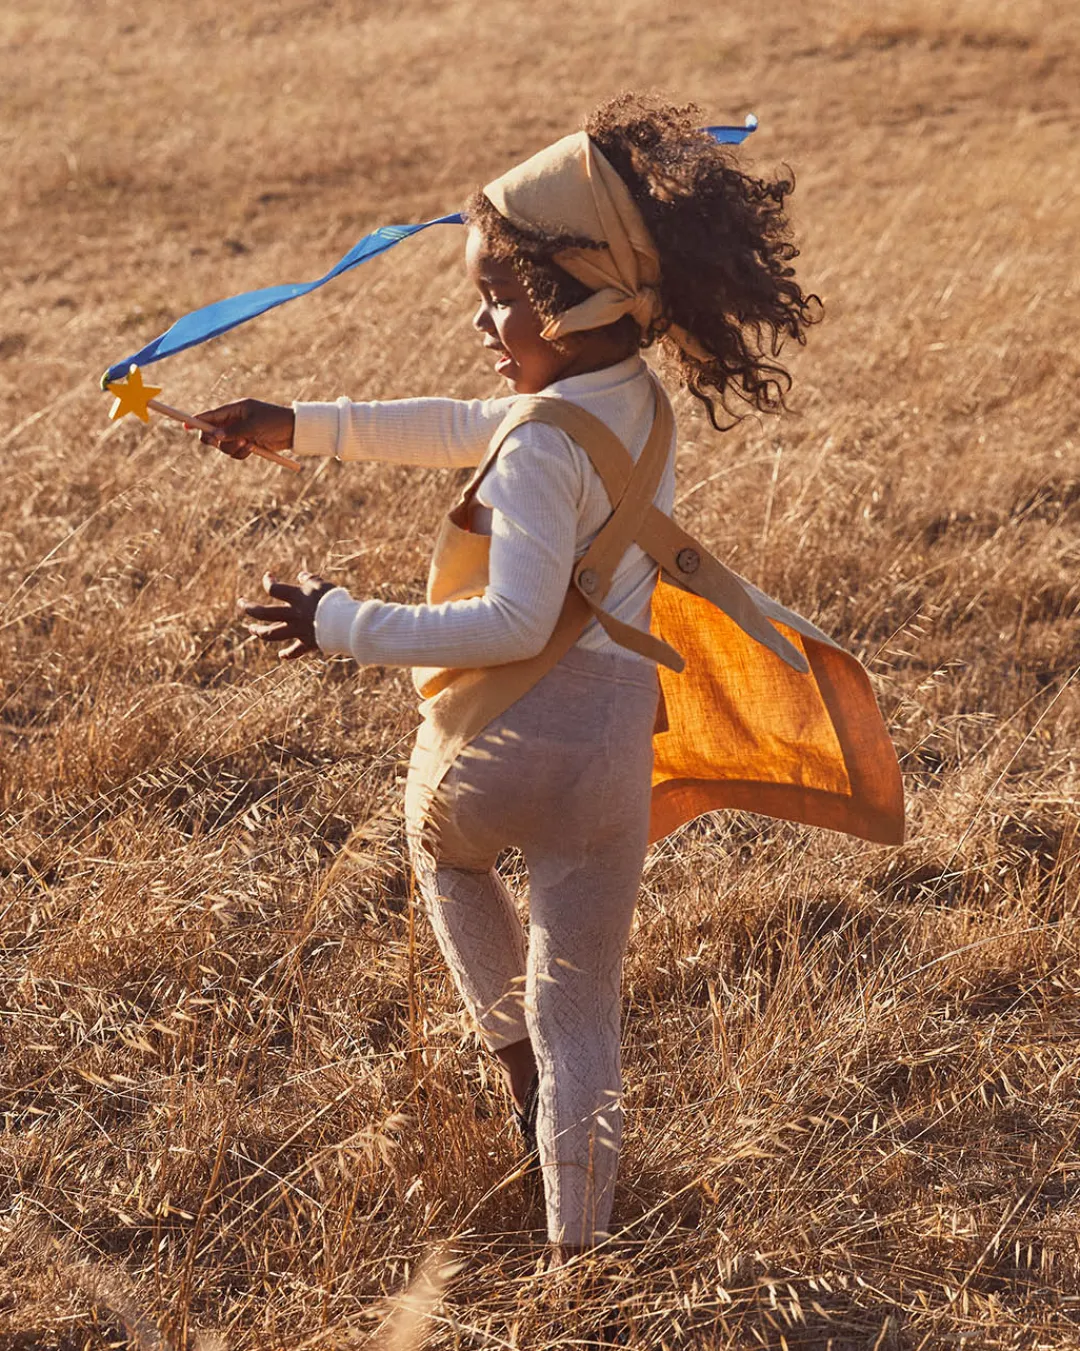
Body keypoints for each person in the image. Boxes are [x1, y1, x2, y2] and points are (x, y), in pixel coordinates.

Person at [194, 94, 901, 1259]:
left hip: (505, 742)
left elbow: (514, 621)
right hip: (613, 750)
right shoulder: (636, 406)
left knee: (443, 852)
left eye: (499, 296)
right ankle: (583, 1259)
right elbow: (466, 421)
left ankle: (514, 1063)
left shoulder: (533, 442)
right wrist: (299, 422)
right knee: (587, 1015)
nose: (481, 318)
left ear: (575, 299)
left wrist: (339, 620)